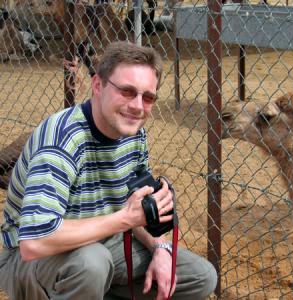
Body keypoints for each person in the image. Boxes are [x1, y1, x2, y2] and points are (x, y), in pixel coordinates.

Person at [0, 41, 217, 300]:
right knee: (92, 265)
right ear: (97, 86)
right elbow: (34, 243)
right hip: (34, 259)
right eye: (127, 91)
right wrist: (124, 219)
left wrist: (159, 246)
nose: (138, 106)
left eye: (148, 97)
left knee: (200, 276)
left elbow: (134, 210)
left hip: (102, 243)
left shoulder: (134, 134)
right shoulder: (62, 141)